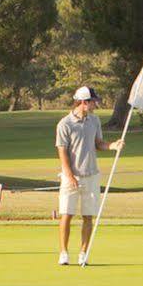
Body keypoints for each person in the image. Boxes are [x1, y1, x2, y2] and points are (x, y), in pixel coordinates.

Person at [54, 85, 122, 266]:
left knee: (88, 216)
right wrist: (69, 176)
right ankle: (64, 253)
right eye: (93, 102)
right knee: (66, 214)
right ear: (83, 102)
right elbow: (62, 152)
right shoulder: (65, 124)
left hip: (91, 175)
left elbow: (99, 144)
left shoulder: (94, 121)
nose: (95, 104)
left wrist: (113, 146)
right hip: (71, 177)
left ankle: (83, 253)